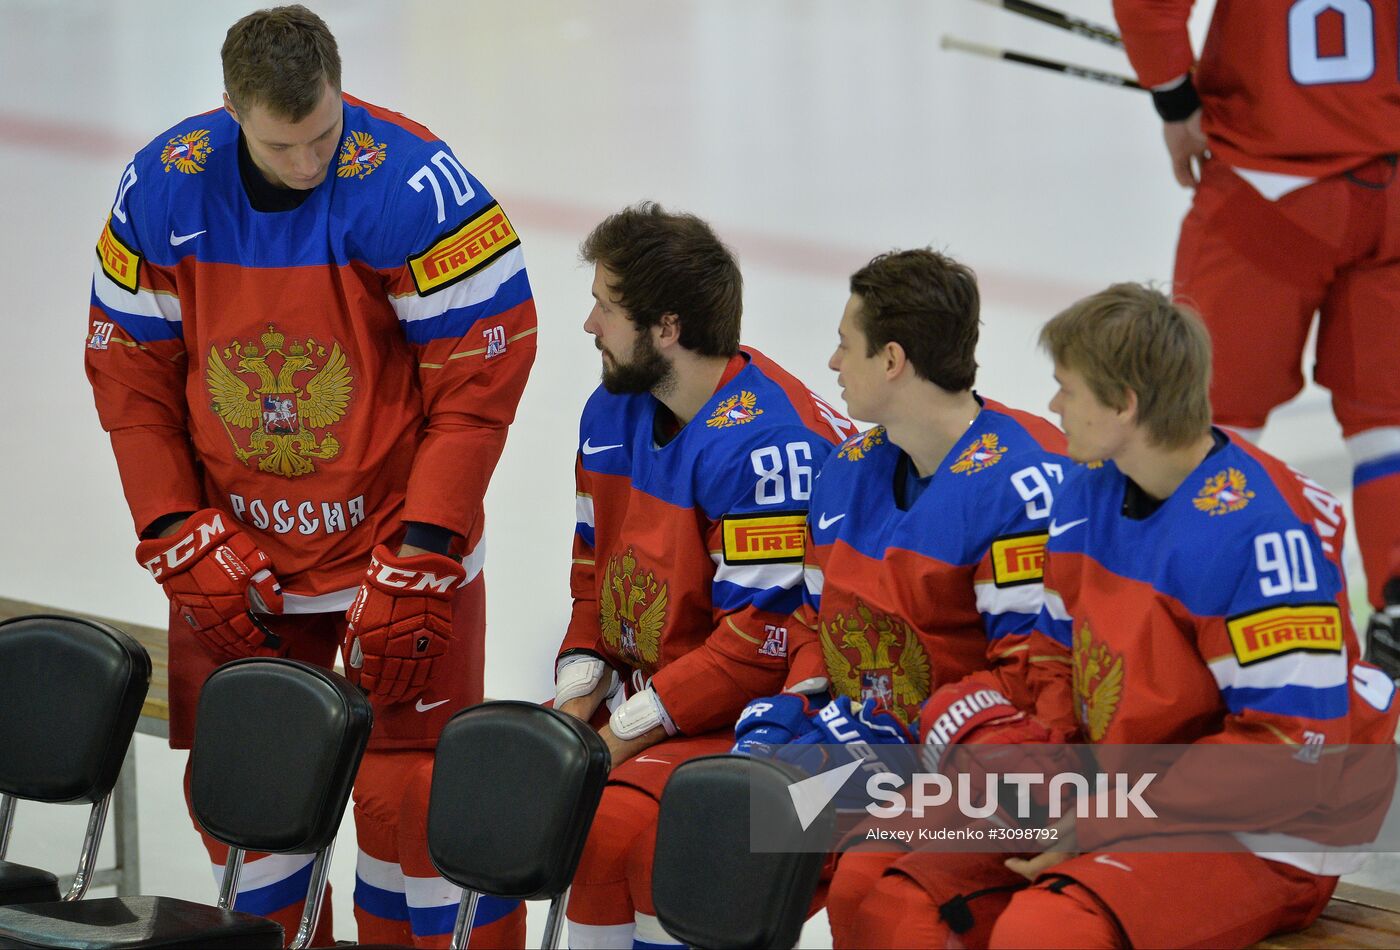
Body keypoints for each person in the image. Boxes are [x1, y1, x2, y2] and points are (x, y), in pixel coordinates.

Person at [85, 6, 536, 946]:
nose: (308, 162)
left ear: (341, 89)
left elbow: (480, 379)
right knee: (245, 802)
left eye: (324, 135)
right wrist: (172, 528)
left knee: (413, 802)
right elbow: (130, 374)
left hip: (395, 546)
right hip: (237, 552)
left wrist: (428, 545)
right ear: (230, 111)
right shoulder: (163, 188)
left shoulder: (418, 186)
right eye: (283, 144)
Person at [841, 284, 1399, 949]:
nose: (1053, 406)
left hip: (1273, 822)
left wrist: (1106, 816)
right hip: (1125, 784)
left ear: (1124, 404)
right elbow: (1051, 660)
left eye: (1067, 389)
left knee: (1046, 933)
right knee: (875, 884)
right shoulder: (1085, 491)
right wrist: (1012, 750)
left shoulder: (1264, 533)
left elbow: (1285, 753)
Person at [728, 248, 1072, 948]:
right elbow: (813, 625)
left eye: (844, 344)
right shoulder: (848, 470)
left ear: (892, 360)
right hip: (883, 753)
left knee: (875, 891)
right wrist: (792, 709)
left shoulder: (1022, 485)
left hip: (989, 772)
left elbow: (1031, 688)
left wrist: (887, 742)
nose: (831, 362)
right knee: (728, 833)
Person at [549, 202, 854, 948]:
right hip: (678, 697)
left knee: (654, 845)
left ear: (668, 329)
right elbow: (593, 577)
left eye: (607, 307)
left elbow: (760, 647)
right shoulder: (610, 411)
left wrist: (614, 735)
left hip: (780, 719)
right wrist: (571, 705)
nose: (590, 325)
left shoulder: (768, 446)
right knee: (577, 830)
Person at [1113, 0, 1400, 675]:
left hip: (1266, 190)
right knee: (1387, 421)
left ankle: (1184, 627)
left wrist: (1174, 97)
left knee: (1202, 419)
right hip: (1390, 188)